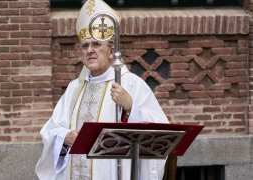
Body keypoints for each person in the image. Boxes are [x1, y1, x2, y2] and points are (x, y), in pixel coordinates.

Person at [35, 0, 169, 179]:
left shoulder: (130, 84)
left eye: (96, 44)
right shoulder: (75, 88)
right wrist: (64, 137)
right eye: (85, 45)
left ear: (111, 51)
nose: (89, 50)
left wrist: (131, 108)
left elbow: (161, 134)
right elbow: (51, 129)